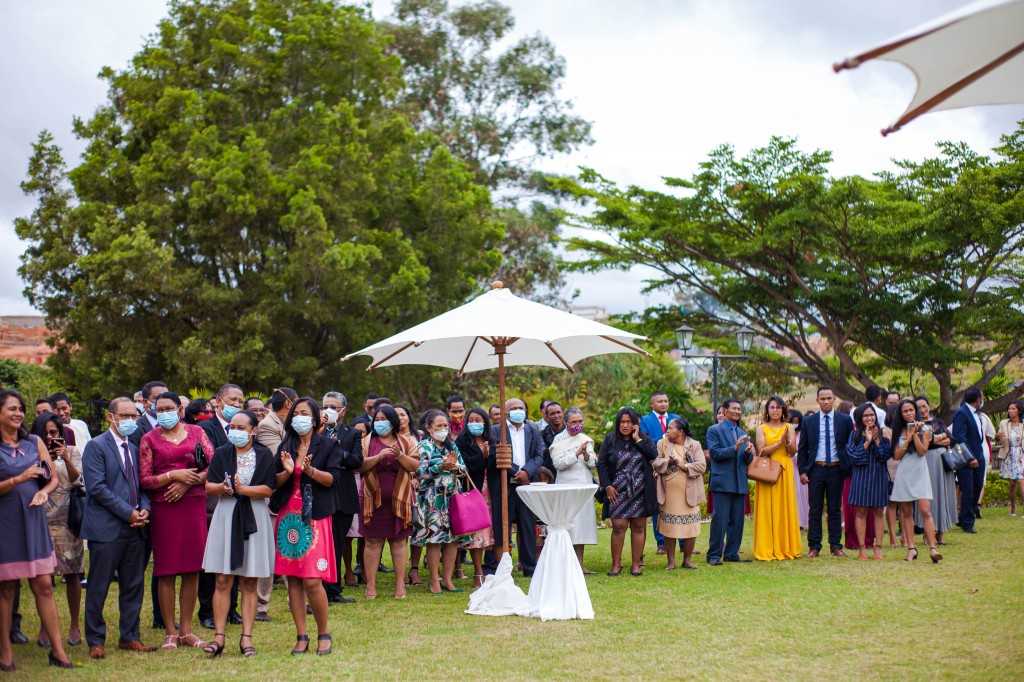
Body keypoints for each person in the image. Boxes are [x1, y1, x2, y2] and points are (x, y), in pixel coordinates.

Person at [0, 389, 75, 671]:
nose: (18, 413)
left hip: (33, 517)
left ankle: (57, 651)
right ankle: (5, 652)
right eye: (11, 409)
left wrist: (44, 491)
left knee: (44, 584)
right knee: (6, 587)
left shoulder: (33, 442)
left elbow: (53, 478)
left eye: (20, 408)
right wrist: (18, 479)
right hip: (5, 521)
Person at [80, 397, 156, 660]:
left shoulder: (135, 447)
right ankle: (95, 639)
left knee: (134, 584)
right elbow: (97, 488)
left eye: (134, 416)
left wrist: (145, 508)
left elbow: (142, 484)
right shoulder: (96, 446)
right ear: (111, 417)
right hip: (107, 528)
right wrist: (128, 513)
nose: (130, 421)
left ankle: (130, 636)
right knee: (99, 585)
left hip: (136, 528)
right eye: (125, 416)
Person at [138, 391, 213, 651]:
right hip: (165, 508)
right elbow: (145, 480)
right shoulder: (149, 440)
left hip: (193, 505)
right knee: (166, 570)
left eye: (170, 408)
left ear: (180, 410)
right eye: (160, 409)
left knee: (193, 569)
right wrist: (173, 476)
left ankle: (186, 630)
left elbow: (211, 467)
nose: (165, 413)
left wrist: (187, 482)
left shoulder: (197, 433)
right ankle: (170, 631)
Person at [269, 397, 342, 655]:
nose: (298, 417)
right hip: (288, 517)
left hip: (315, 517)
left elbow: (333, 479)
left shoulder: (328, 446)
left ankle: (324, 632)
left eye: (304, 413)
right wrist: (288, 472)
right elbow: (274, 483)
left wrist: (310, 472)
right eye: (295, 413)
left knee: (312, 580)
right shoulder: (285, 445)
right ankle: (301, 634)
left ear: (313, 418)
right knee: (294, 580)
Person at [201, 410, 276, 658]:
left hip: (253, 514)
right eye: (233, 426)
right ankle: (219, 637)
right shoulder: (223, 452)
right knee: (222, 579)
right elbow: (209, 486)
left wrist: (245, 489)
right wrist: (223, 487)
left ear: (253, 431)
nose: (236, 431)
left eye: (241, 427)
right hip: (226, 514)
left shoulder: (264, 454)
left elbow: (268, 488)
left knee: (249, 580)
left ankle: (246, 638)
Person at [29, 413, 85, 647]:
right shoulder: (31, 454)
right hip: (41, 517)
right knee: (45, 575)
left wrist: (66, 459)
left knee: (73, 573)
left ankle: (74, 624)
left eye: (55, 433)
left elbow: (78, 480)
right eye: (47, 433)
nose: (51, 437)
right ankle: (45, 626)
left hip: (68, 519)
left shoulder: (72, 451)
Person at [197, 384, 246, 628]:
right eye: (233, 400)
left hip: (239, 501)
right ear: (218, 401)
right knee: (213, 559)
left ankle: (232, 609)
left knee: (235, 555)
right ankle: (207, 610)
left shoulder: (245, 430)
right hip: (212, 501)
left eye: (241, 401)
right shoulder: (204, 429)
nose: (237, 404)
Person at [357, 405, 417, 599]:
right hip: (371, 500)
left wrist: (399, 455)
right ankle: (371, 586)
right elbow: (359, 466)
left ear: (393, 422)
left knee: (399, 541)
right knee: (372, 542)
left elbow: (414, 465)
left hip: (399, 500)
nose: (380, 422)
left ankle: (400, 585)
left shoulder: (406, 442)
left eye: (384, 419)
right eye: (377, 419)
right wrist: (378, 457)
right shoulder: (367, 441)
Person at [484, 398, 544, 577]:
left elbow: (539, 455)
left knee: (527, 526)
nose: (518, 410)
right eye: (514, 408)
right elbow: (496, 455)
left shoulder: (533, 430)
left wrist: (526, 471)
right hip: (504, 485)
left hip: (526, 486)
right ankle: (496, 567)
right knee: (501, 526)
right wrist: (516, 472)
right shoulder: (496, 431)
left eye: (521, 408)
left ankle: (529, 567)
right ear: (505, 412)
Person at [412, 410, 469, 594]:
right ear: (429, 428)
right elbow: (419, 473)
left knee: (452, 539)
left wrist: (455, 467)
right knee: (434, 539)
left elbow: (464, 469)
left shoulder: (451, 446)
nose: (443, 429)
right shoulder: (423, 446)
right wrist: (439, 467)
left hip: (452, 496)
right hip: (432, 498)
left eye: (446, 425)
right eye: (439, 426)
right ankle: (434, 580)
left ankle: (447, 579)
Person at [253, 386, 297, 622]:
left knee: (294, 547)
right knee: (268, 554)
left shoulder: (288, 427)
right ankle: (261, 606)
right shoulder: (268, 425)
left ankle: (296, 601)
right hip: (273, 498)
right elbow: (279, 459)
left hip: (294, 499)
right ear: (289, 404)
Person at [598, 407, 658, 576]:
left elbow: (653, 455)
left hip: (640, 489)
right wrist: (607, 486)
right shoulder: (610, 440)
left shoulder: (643, 438)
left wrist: (637, 439)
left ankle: (636, 564)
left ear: (635, 424)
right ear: (618, 423)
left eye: (629, 422)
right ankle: (616, 564)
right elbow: (601, 464)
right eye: (622, 422)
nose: (625, 425)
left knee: (639, 526)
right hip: (617, 489)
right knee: (618, 525)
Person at [798, 387, 854, 558]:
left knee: (835, 509)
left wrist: (847, 465)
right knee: (814, 509)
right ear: (817, 401)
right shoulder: (809, 421)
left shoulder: (844, 420)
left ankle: (836, 545)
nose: (826, 401)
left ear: (834, 398)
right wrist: (802, 471)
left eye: (829, 398)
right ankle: (814, 547)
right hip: (816, 469)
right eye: (822, 399)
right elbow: (803, 448)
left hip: (837, 469)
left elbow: (850, 445)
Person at [320, 392, 361, 606]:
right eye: (325, 406)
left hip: (343, 496)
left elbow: (357, 460)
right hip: (320, 496)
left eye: (334, 407)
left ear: (343, 410)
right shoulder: (314, 431)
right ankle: (318, 588)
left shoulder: (352, 433)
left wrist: (338, 451)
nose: (329, 410)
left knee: (336, 543)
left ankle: (334, 590)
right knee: (320, 543)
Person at [544, 407, 597, 572]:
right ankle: (565, 565)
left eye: (580, 421)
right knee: (566, 524)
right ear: (566, 423)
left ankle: (580, 564)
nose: (577, 424)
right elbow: (558, 464)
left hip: (583, 485)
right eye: (574, 422)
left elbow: (593, 464)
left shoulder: (585, 439)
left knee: (581, 525)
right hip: (565, 486)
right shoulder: (559, 440)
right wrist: (576, 454)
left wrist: (587, 456)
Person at [889, 399, 942, 562]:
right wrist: (908, 437)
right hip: (904, 472)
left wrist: (915, 436)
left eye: (911, 410)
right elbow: (896, 456)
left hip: (920, 471)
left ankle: (933, 548)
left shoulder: (925, 428)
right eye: (905, 411)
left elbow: (922, 451)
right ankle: (911, 548)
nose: (909, 413)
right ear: (901, 414)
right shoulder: (897, 431)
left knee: (925, 511)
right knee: (906, 512)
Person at [705, 398, 754, 565]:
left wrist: (748, 452)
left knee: (737, 520)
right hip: (722, 482)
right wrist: (733, 449)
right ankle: (714, 555)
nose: (737, 411)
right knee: (720, 520)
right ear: (724, 411)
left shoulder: (742, 433)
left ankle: (732, 553)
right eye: (734, 408)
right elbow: (715, 454)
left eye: (739, 409)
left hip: (739, 481)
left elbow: (747, 460)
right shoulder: (714, 430)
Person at [752, 397, 802, 561]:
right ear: (768, 410)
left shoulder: (789, 427)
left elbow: (793, 451)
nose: (775, 410)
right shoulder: (761, 428)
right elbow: (762, 451)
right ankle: (767, 547)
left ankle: (785, 546)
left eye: (778, 407)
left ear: (783, 410)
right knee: (767, 508)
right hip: (768, 470)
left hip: (785, 469)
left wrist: (787, 443)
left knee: (785, 507)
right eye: (772, 407)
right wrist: (779, 443)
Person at [652, 417, 705, 570]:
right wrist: (668, 463)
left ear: (680, 431)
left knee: (690, 527)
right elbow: (655, 463)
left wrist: (683, 465)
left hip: (690, 493)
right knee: (669, 527)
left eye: (671, 428)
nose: (667, 431)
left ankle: (687, 560)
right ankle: (671, 562)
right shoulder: (662, 444)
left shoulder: (694, 445)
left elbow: (702, 466)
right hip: (669, 493)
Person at [453, 408, 496, 587]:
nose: (474, 423)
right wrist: (483, 456)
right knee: (477, 532)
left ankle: (493, 568)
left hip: (492, 492)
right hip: (474, 491)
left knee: (492, 532)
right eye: (471, 420)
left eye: (479, 420)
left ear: (485, 422)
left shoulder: (492, 440)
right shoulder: (462, 441)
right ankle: (478, 572)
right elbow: (467, 467)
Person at [846, 402, 892, 560]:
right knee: (861, 511)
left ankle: (878, 548)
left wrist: (877, 440)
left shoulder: (883, 433)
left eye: (871, 415)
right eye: (865, 415)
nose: (869, 418)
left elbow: (885, 456)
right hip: (860, 476)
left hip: (878, 475)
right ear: (860, 417)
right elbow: (853, 457)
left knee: (879, 511)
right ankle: (862, 549)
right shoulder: (854, 435)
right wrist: (867, 441)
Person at [639, 392, 681, 555]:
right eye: (660, 401)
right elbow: (645, 440)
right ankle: (661, 542)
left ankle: (683, 541)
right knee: (660, 503)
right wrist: (666, 436)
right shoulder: (645, 420)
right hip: (655, 467)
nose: (664, 404)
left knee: (679, 504)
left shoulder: (676, 418)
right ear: (652, 404)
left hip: (677, 467)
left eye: (666, 401)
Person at [914, 396, 958, 545]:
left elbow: (951, 439)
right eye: (919, 407)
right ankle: (928, 533)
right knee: (929, 498)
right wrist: (939, 438)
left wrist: (937, 439)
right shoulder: (916, 426)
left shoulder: (938, 422)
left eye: (924, 406)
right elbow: (927, 442)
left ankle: (941, 533)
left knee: (943, 495)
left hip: (942, 462)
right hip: (926, 462)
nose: (923, 410)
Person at [951, 388, 986, 534]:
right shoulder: (961, 413)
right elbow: (960, 437)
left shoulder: (978, 414)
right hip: (966, 458)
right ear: (978, 399)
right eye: (982, 397)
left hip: (979, 455)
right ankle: (967, 523)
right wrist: (970, 457)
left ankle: (964, 516)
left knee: (977, 487)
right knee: (968, 490)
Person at [997, 400, 1024, 515]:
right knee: (1012, 483)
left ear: (1019, 410)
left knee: (1021, 481)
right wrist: (997, 436)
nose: (1010, 411)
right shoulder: (1004, 423)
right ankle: (1013, 506)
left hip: (1021, 455)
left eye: (1013, 408)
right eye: (1009, 408)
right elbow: (998, 438)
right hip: (1009, 454)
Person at [787, 409, 808, 530]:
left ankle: (800, 522)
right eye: (792, 422)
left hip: (798, 467)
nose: (794, 424)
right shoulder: (785, 433)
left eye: (797, 422)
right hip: (787, 465)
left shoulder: (802, 435)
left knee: (799, 495)